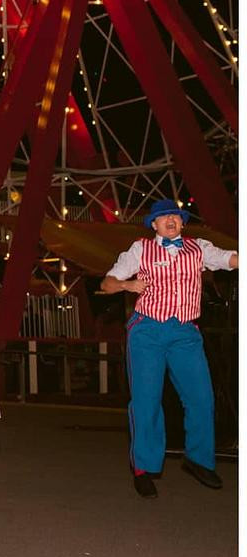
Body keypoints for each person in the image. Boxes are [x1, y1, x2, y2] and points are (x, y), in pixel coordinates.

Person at [100, 198, 237, 499]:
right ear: (154, 224)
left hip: (185, 332)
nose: (171, 220)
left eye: (176, 216)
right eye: (164, 217)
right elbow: (107, 284)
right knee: (146, 401)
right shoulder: (140, 250)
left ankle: (198, 460)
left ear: (183, 223)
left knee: (202, 397)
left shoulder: (199, 248)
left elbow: (230, 259)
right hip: (147, 331)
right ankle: (143, 469)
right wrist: (127, 286)